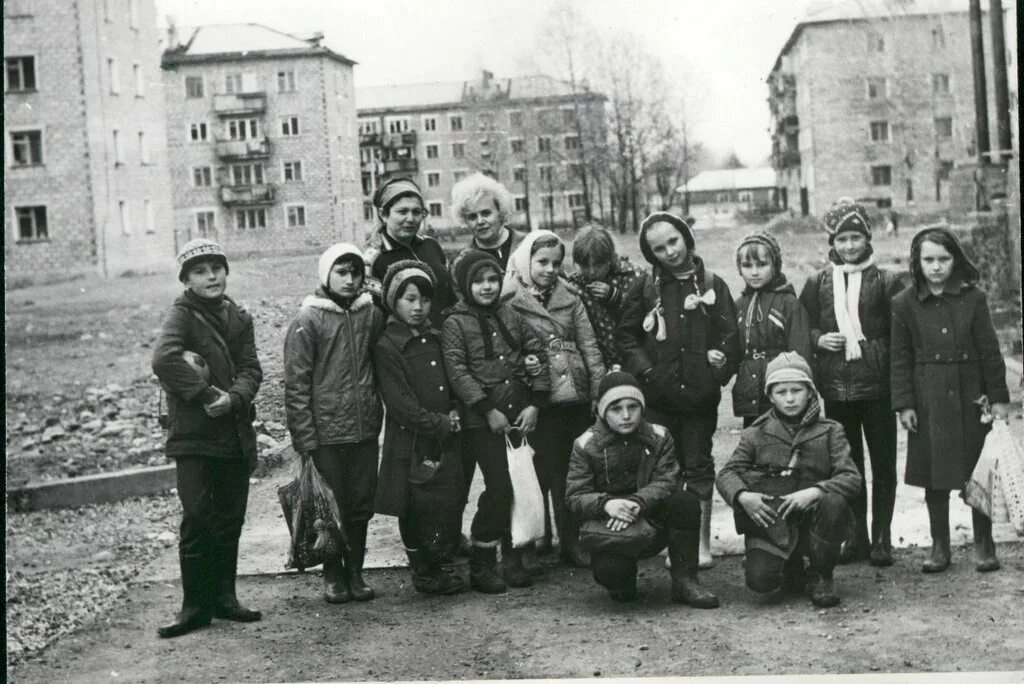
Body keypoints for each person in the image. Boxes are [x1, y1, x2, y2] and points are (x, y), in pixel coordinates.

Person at [152, 239, 263, 638]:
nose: (211, 276)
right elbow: (163, 359)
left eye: (216, 267)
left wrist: (233, 399)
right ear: (186, 280)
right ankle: (194, 607)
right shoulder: (181, 315)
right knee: (198, 517)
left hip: (233, 431)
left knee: (230, 517)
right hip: (195, 437)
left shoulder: (239, 316)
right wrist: (205, 396)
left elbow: (252, 367)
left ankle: (224, 598)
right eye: (200, 271)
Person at [617, 211, 740, 569]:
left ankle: (700, 546)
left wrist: (716, 371)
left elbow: (732, 340)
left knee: (698, 466)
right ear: (650, 254)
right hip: (658, 398)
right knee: (663, 469)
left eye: (673, 241)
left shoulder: (714, 284)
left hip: (699, 400)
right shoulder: (644, 288)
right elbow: (626, 338)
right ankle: (673, 543)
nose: (670, 252)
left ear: (686, 237)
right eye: (659, 249)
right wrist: (649, 372)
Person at [890, 226, 1010, 573]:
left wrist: (999, 398)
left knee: (977, 472)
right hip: (928, 402)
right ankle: (939, 544)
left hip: (973, 399)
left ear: (955, 259)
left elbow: (990, 351)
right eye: (928, 259)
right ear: (917, 262)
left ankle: (984, 544)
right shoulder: (904, 303)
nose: (937, 266)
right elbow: (899, 358)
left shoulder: (974, 298)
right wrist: (905, 404)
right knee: (934, 475)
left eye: (943, 258)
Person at [798, 199, 903, 567]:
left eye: (855, 237)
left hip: (877, 386)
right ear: (832, 242)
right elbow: (804, 324)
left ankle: (883, 539)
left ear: (868, 238)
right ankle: (857, 537)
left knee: (884, 463)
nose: (849, 246)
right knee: (848, 465)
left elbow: (900, 331)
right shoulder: (818, 281)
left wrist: (875, 351)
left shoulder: (887, 280)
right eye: (841, 239)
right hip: (836, 387)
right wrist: (818, 340)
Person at [442, 249, 550, 593]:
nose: (487, 287)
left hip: (519, 417)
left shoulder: (510, 314)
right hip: (483, 423)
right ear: (464, 284)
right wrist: (488, 410)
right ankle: (483, 558)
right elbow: (457, 371)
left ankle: (515, 558)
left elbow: (537, 350)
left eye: (492, 279)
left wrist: (535, 402)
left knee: (521, 485)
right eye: (478, 281)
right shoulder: (455, 323)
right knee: (500, 488)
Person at [565, 368, 720, 607]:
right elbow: (575, 495)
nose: (626, 415)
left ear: (642, 407)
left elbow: (668, 479)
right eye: (616, 409)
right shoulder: (585, 445)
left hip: (650, 518)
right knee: (612, 573)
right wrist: (607, 504)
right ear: (602, 411)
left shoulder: (659, 436)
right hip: (610, 526)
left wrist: (637, 503)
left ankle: (685, 581)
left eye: (633, 407)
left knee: (685, 502)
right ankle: (623, 581)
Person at [717, 352, 861, 608]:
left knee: (834, 503)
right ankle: (792, 569)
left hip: (814, 520)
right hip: (773, 521)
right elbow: (727, 473)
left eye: (797, 390)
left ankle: (821, 574)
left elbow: (850, 477)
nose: (790, 398)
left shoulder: (830, 431)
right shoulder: (756, 433)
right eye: (781, 392)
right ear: (770, 396)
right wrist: (743, 496)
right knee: (761, 581)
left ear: (810, 392)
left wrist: (815, 491)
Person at [283, 244, 384, 603]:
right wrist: (304, 437)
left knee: (360, 504)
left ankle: (356, 570)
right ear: (326, 275)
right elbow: (296, 383)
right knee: (329, 507)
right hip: (326, 433)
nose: (350, 279)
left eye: (356, 272)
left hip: (364, 429)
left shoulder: (369, 315)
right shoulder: (308, 320)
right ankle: (333, 574)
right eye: (342, 272)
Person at [505, 229, 607, 568]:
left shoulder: (570, 298)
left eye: (556, 263)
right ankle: (533, 540)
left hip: (570, 398)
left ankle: (570, 540)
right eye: (542, 262)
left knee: (567, 473)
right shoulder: (510, 299)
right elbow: (507, 346)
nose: (549, 269)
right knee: (532, 471)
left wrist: (596, 391)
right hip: (535, 398)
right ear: (525, 261)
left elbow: (589, 345)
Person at [373, 260, 466, 595]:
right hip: (411, 440)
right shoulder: (388, 345)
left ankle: (439, 560)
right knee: (413, 504)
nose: (418, 307)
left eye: (425, 300)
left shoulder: (435, 338)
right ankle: (422, 570)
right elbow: (401, 404)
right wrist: (438, 423)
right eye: (409, 299)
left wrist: (454, 410)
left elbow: (452, 380)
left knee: (440, 500)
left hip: (441, 436)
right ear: (393, 301)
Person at [733, 230, 814, 426]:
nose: (754, 272)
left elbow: (801, 352)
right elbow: (734, 350)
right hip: (750, 391)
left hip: (783, 392)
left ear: (775, 265)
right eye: (747, 265)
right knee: (755, 446)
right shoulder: (739, 305)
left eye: (762, 265)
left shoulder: (789, 303)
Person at [365, 177, 456, 329]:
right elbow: (376, 317)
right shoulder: (373, 260)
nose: (410, 219)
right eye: (402, 212)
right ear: (383, 214)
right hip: (408, 348)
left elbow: (451, 294)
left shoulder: (431, 245)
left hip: (449, 338)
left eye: (417, 212)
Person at [566, 223, 646, 369]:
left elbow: (643, 314)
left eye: (598, 265)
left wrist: (615, 297)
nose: (591, 272)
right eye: (584, 266)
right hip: (596, 363)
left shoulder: (632, 275)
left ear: (610, 258)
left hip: (633, 357)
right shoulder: (574, 285)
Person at [450, 172, 526, 272]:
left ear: (500, 212)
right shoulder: (462, 263)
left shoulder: (528, 244)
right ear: (465, 221)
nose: (480, 221)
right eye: (472, 217)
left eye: (486, 213)